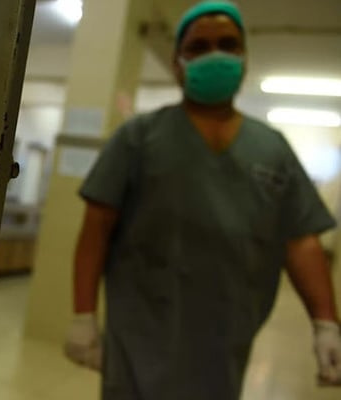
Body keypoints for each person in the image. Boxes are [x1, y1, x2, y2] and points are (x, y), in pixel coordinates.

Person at [63, 1, 341, 399]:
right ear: (177, 63)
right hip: (142, 334)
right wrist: (83, 315)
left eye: (228, 44)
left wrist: (325, 324)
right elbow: (96, 229)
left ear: (244, 58)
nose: (215, 55)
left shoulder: (273, 149)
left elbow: (302, 241)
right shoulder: (138, 139)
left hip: (226, 338)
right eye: (198, 47)